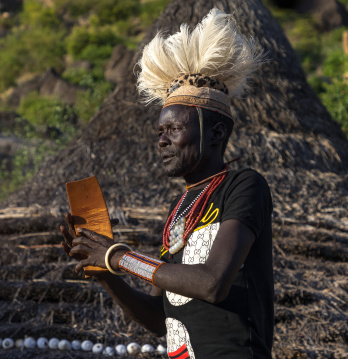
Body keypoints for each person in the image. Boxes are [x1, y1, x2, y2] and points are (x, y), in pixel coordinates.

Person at [60, 9, 273, 359]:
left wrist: (117, 257)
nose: (162, 140)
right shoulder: (179, 211)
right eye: (160, 131)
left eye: (174, 129)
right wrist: (103, 271)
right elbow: (160, 320)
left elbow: (212, 283)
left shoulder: (245, 186)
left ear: (217, 133)